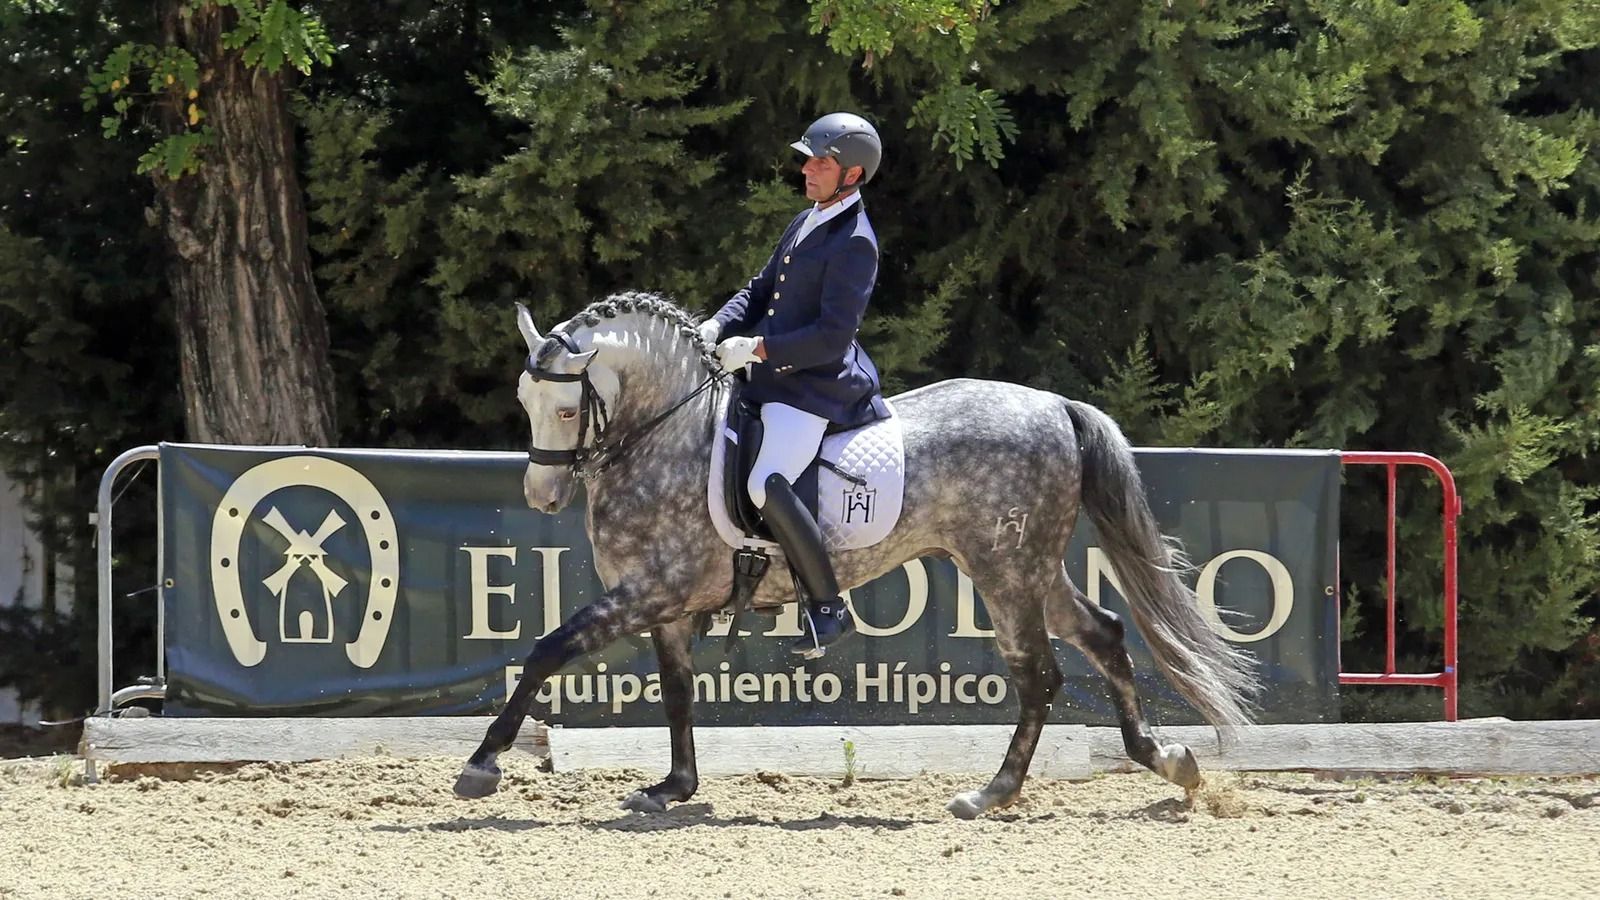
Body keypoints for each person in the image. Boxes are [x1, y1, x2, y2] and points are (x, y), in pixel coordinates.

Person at [699, 112, 890, 659]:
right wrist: (717, 324)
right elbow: (760, 290)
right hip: (768, 371)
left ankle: (828, 609)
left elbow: (831, 337)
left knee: (766, 480)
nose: (808, 169)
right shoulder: (809, 218)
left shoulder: (855, 241)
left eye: (821, 163)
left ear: (851, 175)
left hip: (813, 385)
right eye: (808, 159)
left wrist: (759, 349)